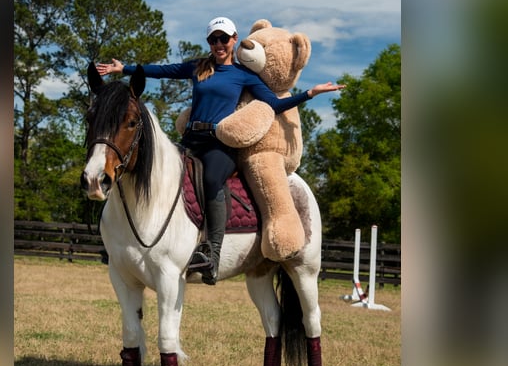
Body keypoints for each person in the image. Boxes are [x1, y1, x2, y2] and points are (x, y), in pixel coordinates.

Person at [96, 16, 344, 285]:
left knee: (213, 180)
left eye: (223, 38)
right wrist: (124, 69)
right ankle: (122, 241)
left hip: (219, 146)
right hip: (191, 140)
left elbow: (273, 103)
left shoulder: (243, 75)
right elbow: (163, 70)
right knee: (158, 174)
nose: (219, 44)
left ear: (234, 40)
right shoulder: (198, 67)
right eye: (213, 39)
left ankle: (212, 253)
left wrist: (310, 94)